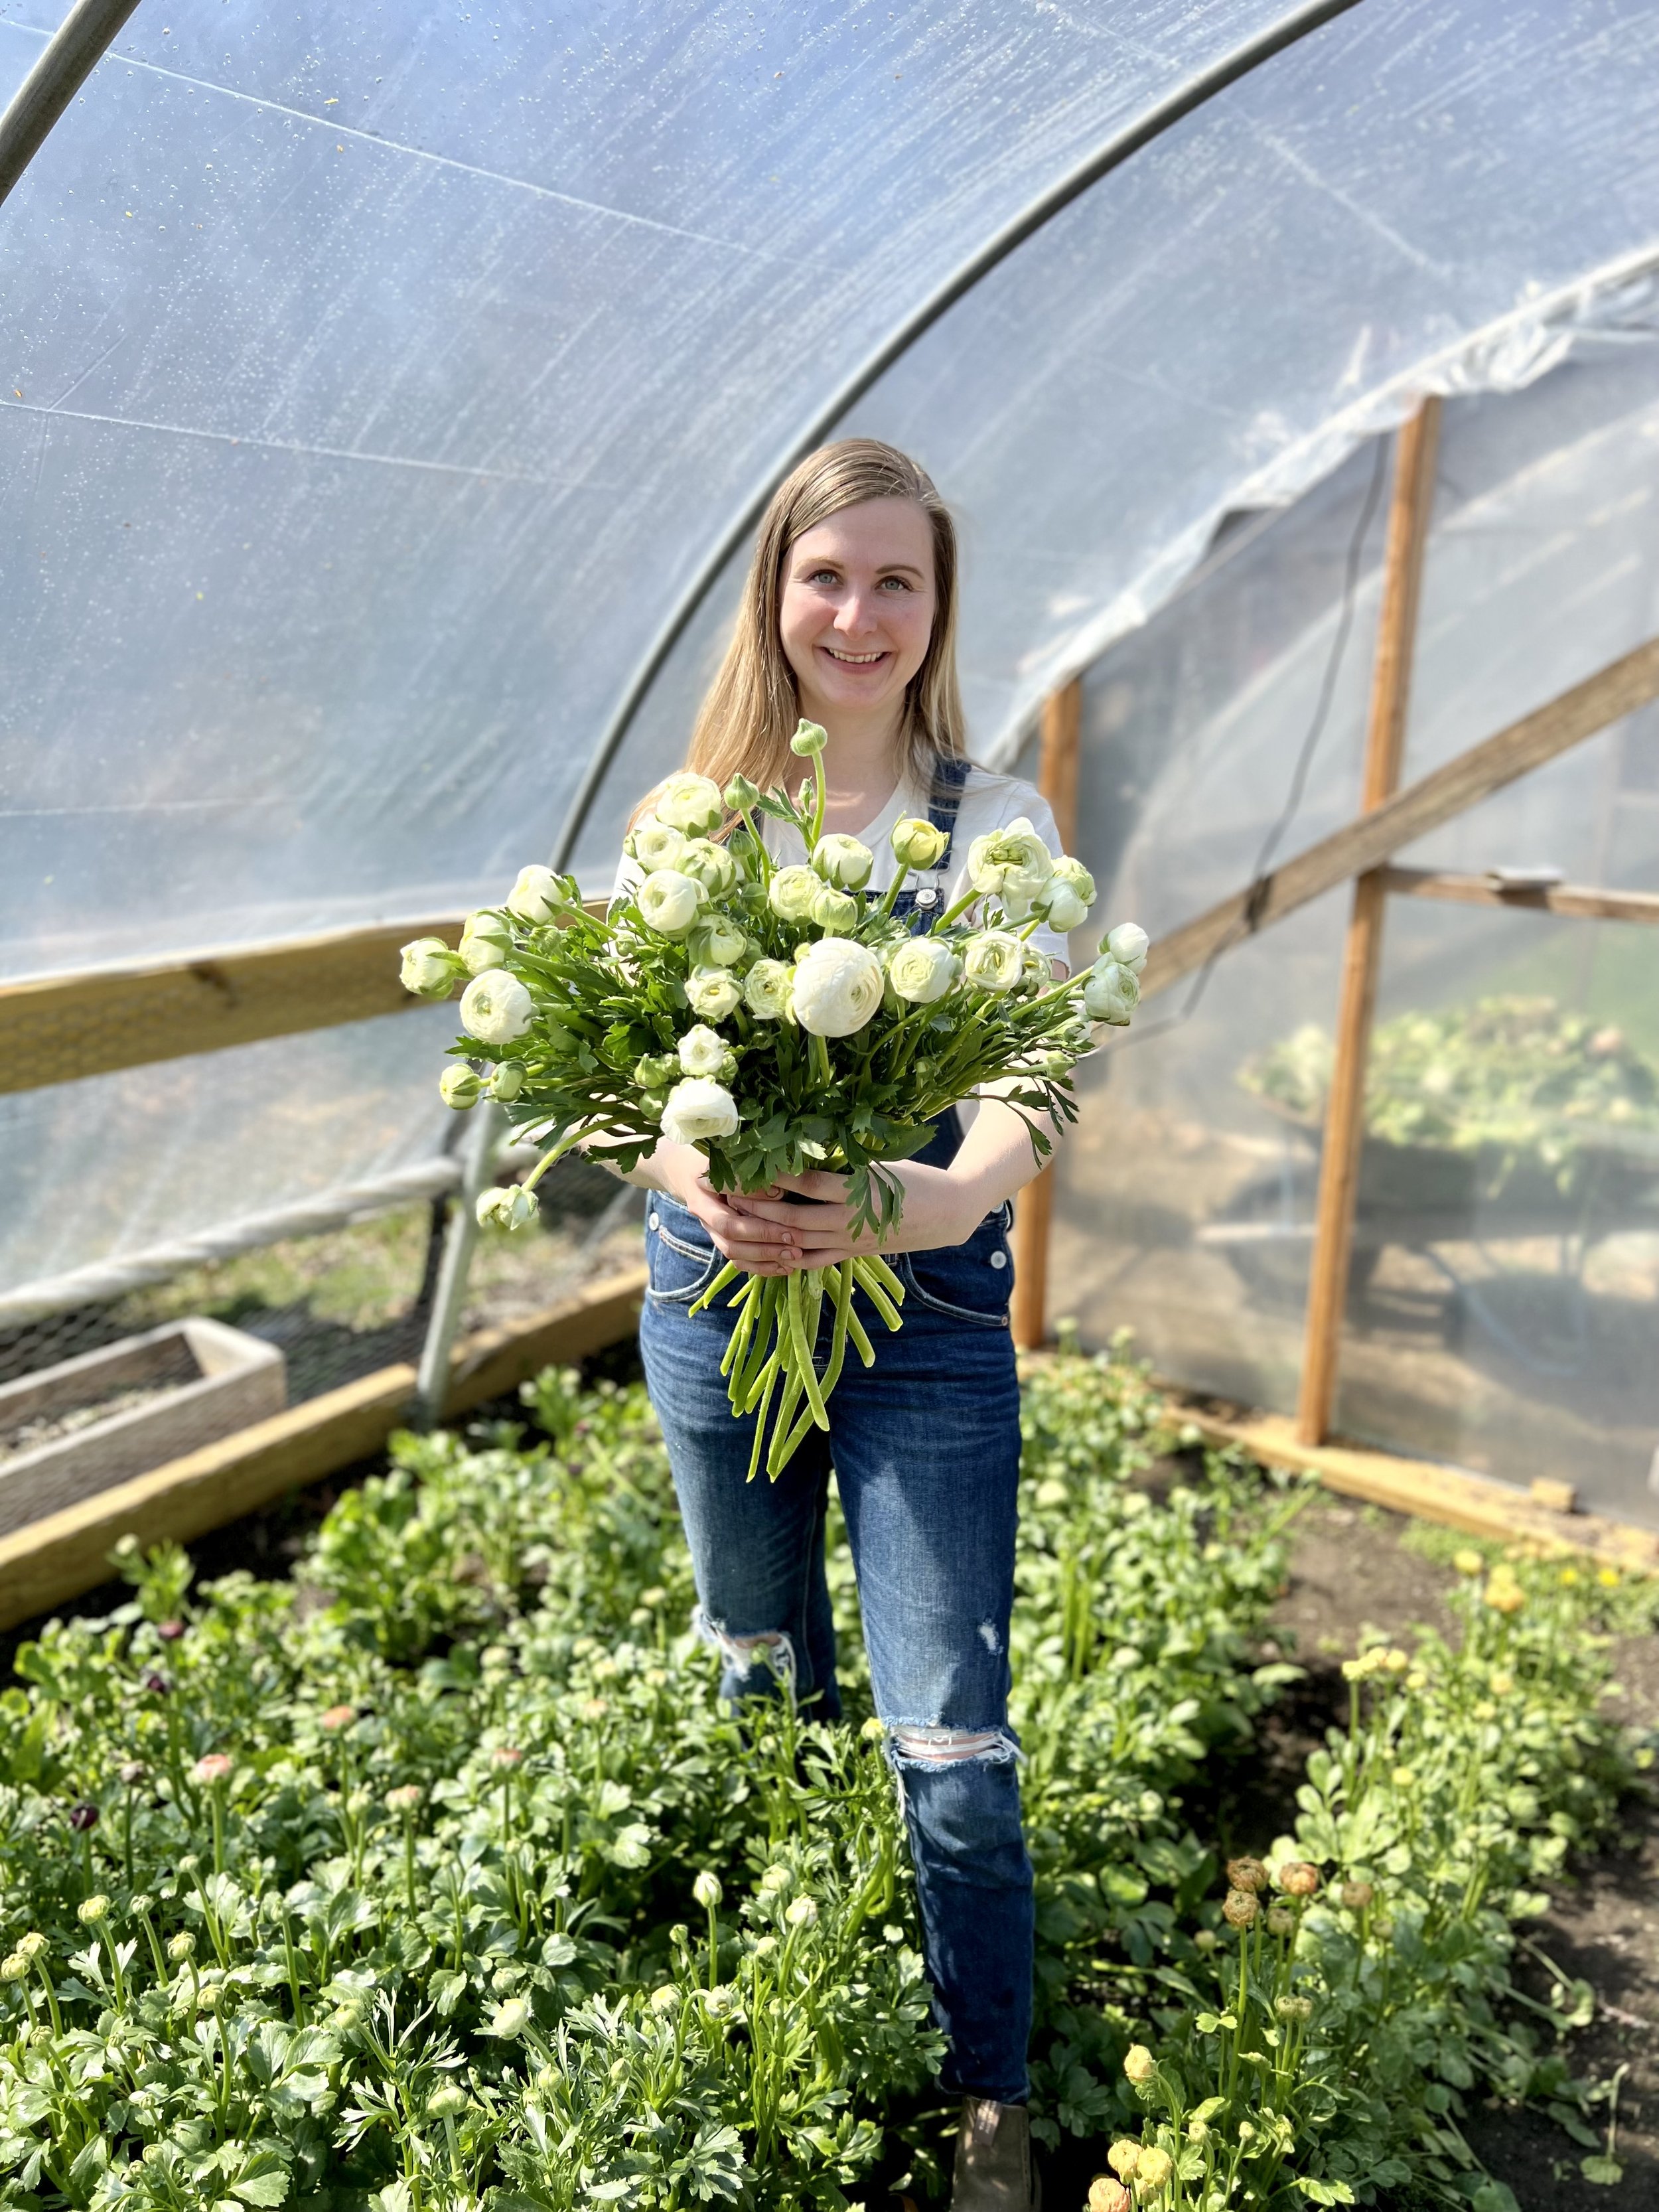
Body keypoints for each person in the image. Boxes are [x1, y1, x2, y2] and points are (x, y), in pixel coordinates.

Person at [607, 439, 1074, 2212]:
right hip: (717, 1303)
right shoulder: (694, 824)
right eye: (827, 577)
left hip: (931, 1316)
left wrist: (949, 1195)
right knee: (757, 1670)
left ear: (937, 607)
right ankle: (792, 1973)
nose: (858, 615)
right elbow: (633, 1082)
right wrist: (688, 1174)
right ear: (773, 597)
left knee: (950, 1738)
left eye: (897, 581)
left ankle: (986, 2092)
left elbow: (1037, 1064)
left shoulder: (994, 827)